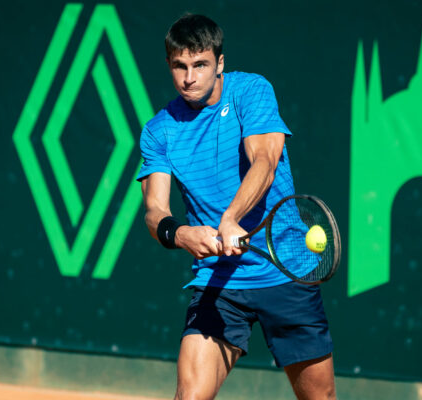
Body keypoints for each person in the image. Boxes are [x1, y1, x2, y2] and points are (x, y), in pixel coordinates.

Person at [137, 14, 336, 400]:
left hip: (286, 269)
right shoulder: (159, 130)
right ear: (169, 65)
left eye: (200, 65)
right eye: (180, 66)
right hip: (219, 282)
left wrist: (230, 219)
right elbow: (153, 210)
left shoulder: (251, 91)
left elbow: (265, 159)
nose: (189, 77)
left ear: (220, 63)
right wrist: (180, 234)